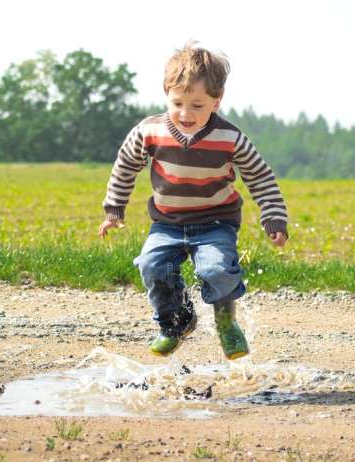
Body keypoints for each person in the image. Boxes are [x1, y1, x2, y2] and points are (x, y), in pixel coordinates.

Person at [99, 42, 288, 360]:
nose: (186, 114)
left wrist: (274, 218)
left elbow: (261, 178)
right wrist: (114, 209)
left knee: (216, 270)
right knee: (152, 266)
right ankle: (177, 321)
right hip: (167, 223)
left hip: (216, 223)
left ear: (217, 100)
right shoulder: (150, 131)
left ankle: (226, 321)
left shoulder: (230, 138)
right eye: (178, 103)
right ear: (166, 92)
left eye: (198, 105)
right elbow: (125, 165)